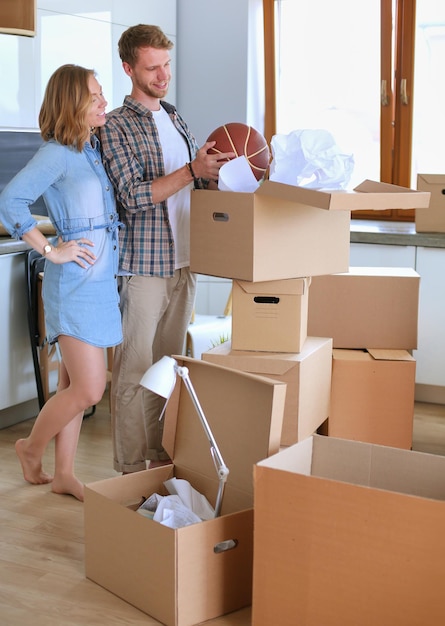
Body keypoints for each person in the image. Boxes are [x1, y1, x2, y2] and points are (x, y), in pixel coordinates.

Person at [99, 24, 234, 474]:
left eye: (166, 65)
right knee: (135, 373)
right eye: (152, 68)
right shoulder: (116, 126)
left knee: (169, 370)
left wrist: (215, 172)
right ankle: (130, 467)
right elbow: (133, 196)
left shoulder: (175, 116)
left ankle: (160, 460)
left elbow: (191, 180)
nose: (162, 75)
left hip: (184, 262)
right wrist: (191, 168)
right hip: (144, 267)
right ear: (129, 68)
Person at [0, 64, 122, 501]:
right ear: (73, 102)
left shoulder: (86, 149)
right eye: (95, 95)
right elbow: (8, 200)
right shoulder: (55, 153)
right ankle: (30, 449)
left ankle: (65, 474)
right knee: (91, 388)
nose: (104, 101)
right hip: (73, 283)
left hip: (100, 280)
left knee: (73, 387)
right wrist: (50, 250)